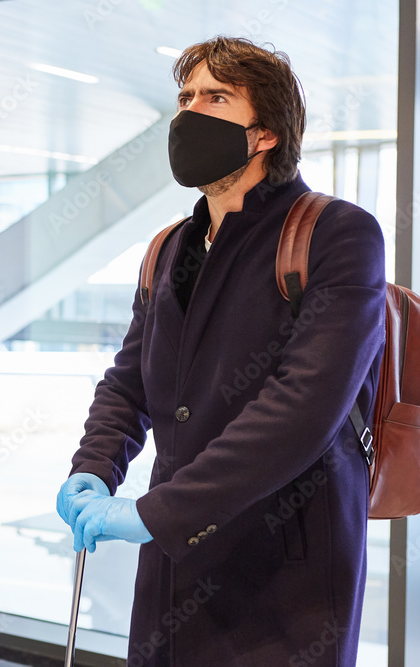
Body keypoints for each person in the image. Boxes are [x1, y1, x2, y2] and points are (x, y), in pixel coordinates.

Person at [56, 36, 386, 667]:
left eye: (216, 97)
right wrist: (94, 467)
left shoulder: (336, 235)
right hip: (173, 571)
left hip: (285, 578)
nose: (189, 113)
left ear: (265, 133)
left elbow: (302, 409)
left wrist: (158, 513)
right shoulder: (169, 248)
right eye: (185, 97)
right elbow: (128, 384)